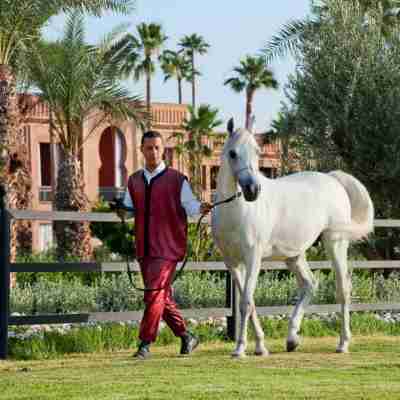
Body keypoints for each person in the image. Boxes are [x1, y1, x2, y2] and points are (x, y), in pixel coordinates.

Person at [121, 130, 212, 360]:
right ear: (141, 150)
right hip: (144, 248)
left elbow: (191, 207)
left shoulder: (177, 180)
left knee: (153, 295)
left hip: (168, 248)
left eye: (157, 148)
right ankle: (186, 336)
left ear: (163, 150)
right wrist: (120, 211)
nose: (153, 152)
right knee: (160, 296)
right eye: (148, 147)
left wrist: (201, 208)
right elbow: (128, 210)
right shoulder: (133, 181)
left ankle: (144, 343)